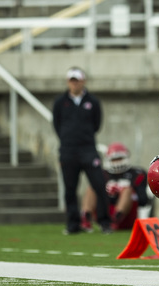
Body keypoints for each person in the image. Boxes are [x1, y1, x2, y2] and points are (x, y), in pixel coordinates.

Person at [52, 67, 112, 235]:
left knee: (99, 185)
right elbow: (56, 125)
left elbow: (97, 124)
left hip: (88, 149)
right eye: (71, 80)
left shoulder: (92, 102)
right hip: (68, 151)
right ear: (67, 82)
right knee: (70, 189)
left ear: (83, 81)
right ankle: (73, 224)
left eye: (77, 80)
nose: (74, 83)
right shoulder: (60, 102)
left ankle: (104, 222)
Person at [80, 142, 149, 231]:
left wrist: (123, 192)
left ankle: (116, 220)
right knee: (92, 188)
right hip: (105, 211)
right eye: (114, 159)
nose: (117, 162)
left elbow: (143, 201)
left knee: (127, 190)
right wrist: (109, 193)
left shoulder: (137, 174)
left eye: (119, 158)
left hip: (127, 216)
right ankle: (85, 220)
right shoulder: (103, 174)